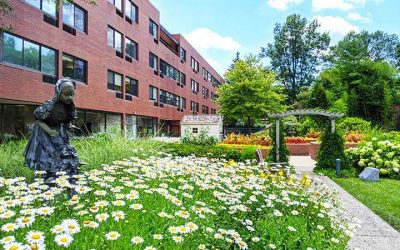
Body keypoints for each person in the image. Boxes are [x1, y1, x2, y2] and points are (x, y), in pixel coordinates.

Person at [24, 78, 80, 188]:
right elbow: (39, 121)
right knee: (48, 155)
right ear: (59, 92)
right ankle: (47, 179)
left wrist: (69, 126)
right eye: (66, 95)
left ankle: (64, 178)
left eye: (72, 95)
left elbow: (66, 121)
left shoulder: (68, 107)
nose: (70, 98)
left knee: (64, 153)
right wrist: (49, 131)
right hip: (45, 134)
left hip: (59, 133)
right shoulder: (49, 106)